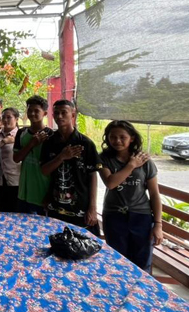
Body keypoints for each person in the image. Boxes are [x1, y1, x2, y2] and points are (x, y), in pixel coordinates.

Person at [98, 120, 162, 271]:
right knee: (117, 261)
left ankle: (142, 287)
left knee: (142, 262)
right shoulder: (103, 158)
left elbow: (154, 194)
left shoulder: (145, 161)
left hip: (142, 217)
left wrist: (158, 224)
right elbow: (110, 183)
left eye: (122, 137)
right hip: (114, 216)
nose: (117, 141)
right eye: (113, 137)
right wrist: (131, 165)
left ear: (132, 138)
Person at [40, 100, 100, 236]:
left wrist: (92, 207)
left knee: (80, 241)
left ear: (73, 115)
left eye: (64, 112)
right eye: (56, 113)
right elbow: (44, 170)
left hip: (80, 205)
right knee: (56, 239)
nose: (59, 116)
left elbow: (92, 176)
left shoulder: (85, 144)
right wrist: (61, 157)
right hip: (55, 204)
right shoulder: (49, 142)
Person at [13, 95, 53, 215]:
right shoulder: (21, 133)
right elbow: (16, 158)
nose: (32, 113)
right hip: (23, 192)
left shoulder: (51, 135)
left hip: (42, 192)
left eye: (36, 111)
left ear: (45, 113)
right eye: (29, 110)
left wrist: (50, 194)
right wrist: (31, 143)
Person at [0, 108, 20, 212]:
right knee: (0, 210)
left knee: (15, 210)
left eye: (9, 117)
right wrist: (3, 142)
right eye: (3, 117)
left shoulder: (20, 135)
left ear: (16, 119)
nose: (5, 120)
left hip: (15, 179)